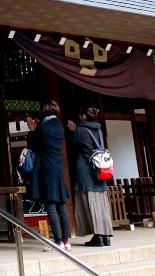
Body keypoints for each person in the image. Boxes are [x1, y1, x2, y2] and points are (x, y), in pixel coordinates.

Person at [25, 100, 71, 251]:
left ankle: (57, 241)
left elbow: (33, 145)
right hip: (58, 168)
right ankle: (66, 241)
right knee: (61, 205)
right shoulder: (59, 127)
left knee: (50, 205)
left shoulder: (42, 128)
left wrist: (32, 130)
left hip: (46, 168)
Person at [68, 106, 114, 247]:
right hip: (99, 171)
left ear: (82, 116)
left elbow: (72, 147)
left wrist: (72, 132)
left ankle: (97, 236)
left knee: (90, 202)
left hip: (86, 171)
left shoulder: (80, 131)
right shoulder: (98, 130)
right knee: (101, 203)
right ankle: (106, 236)